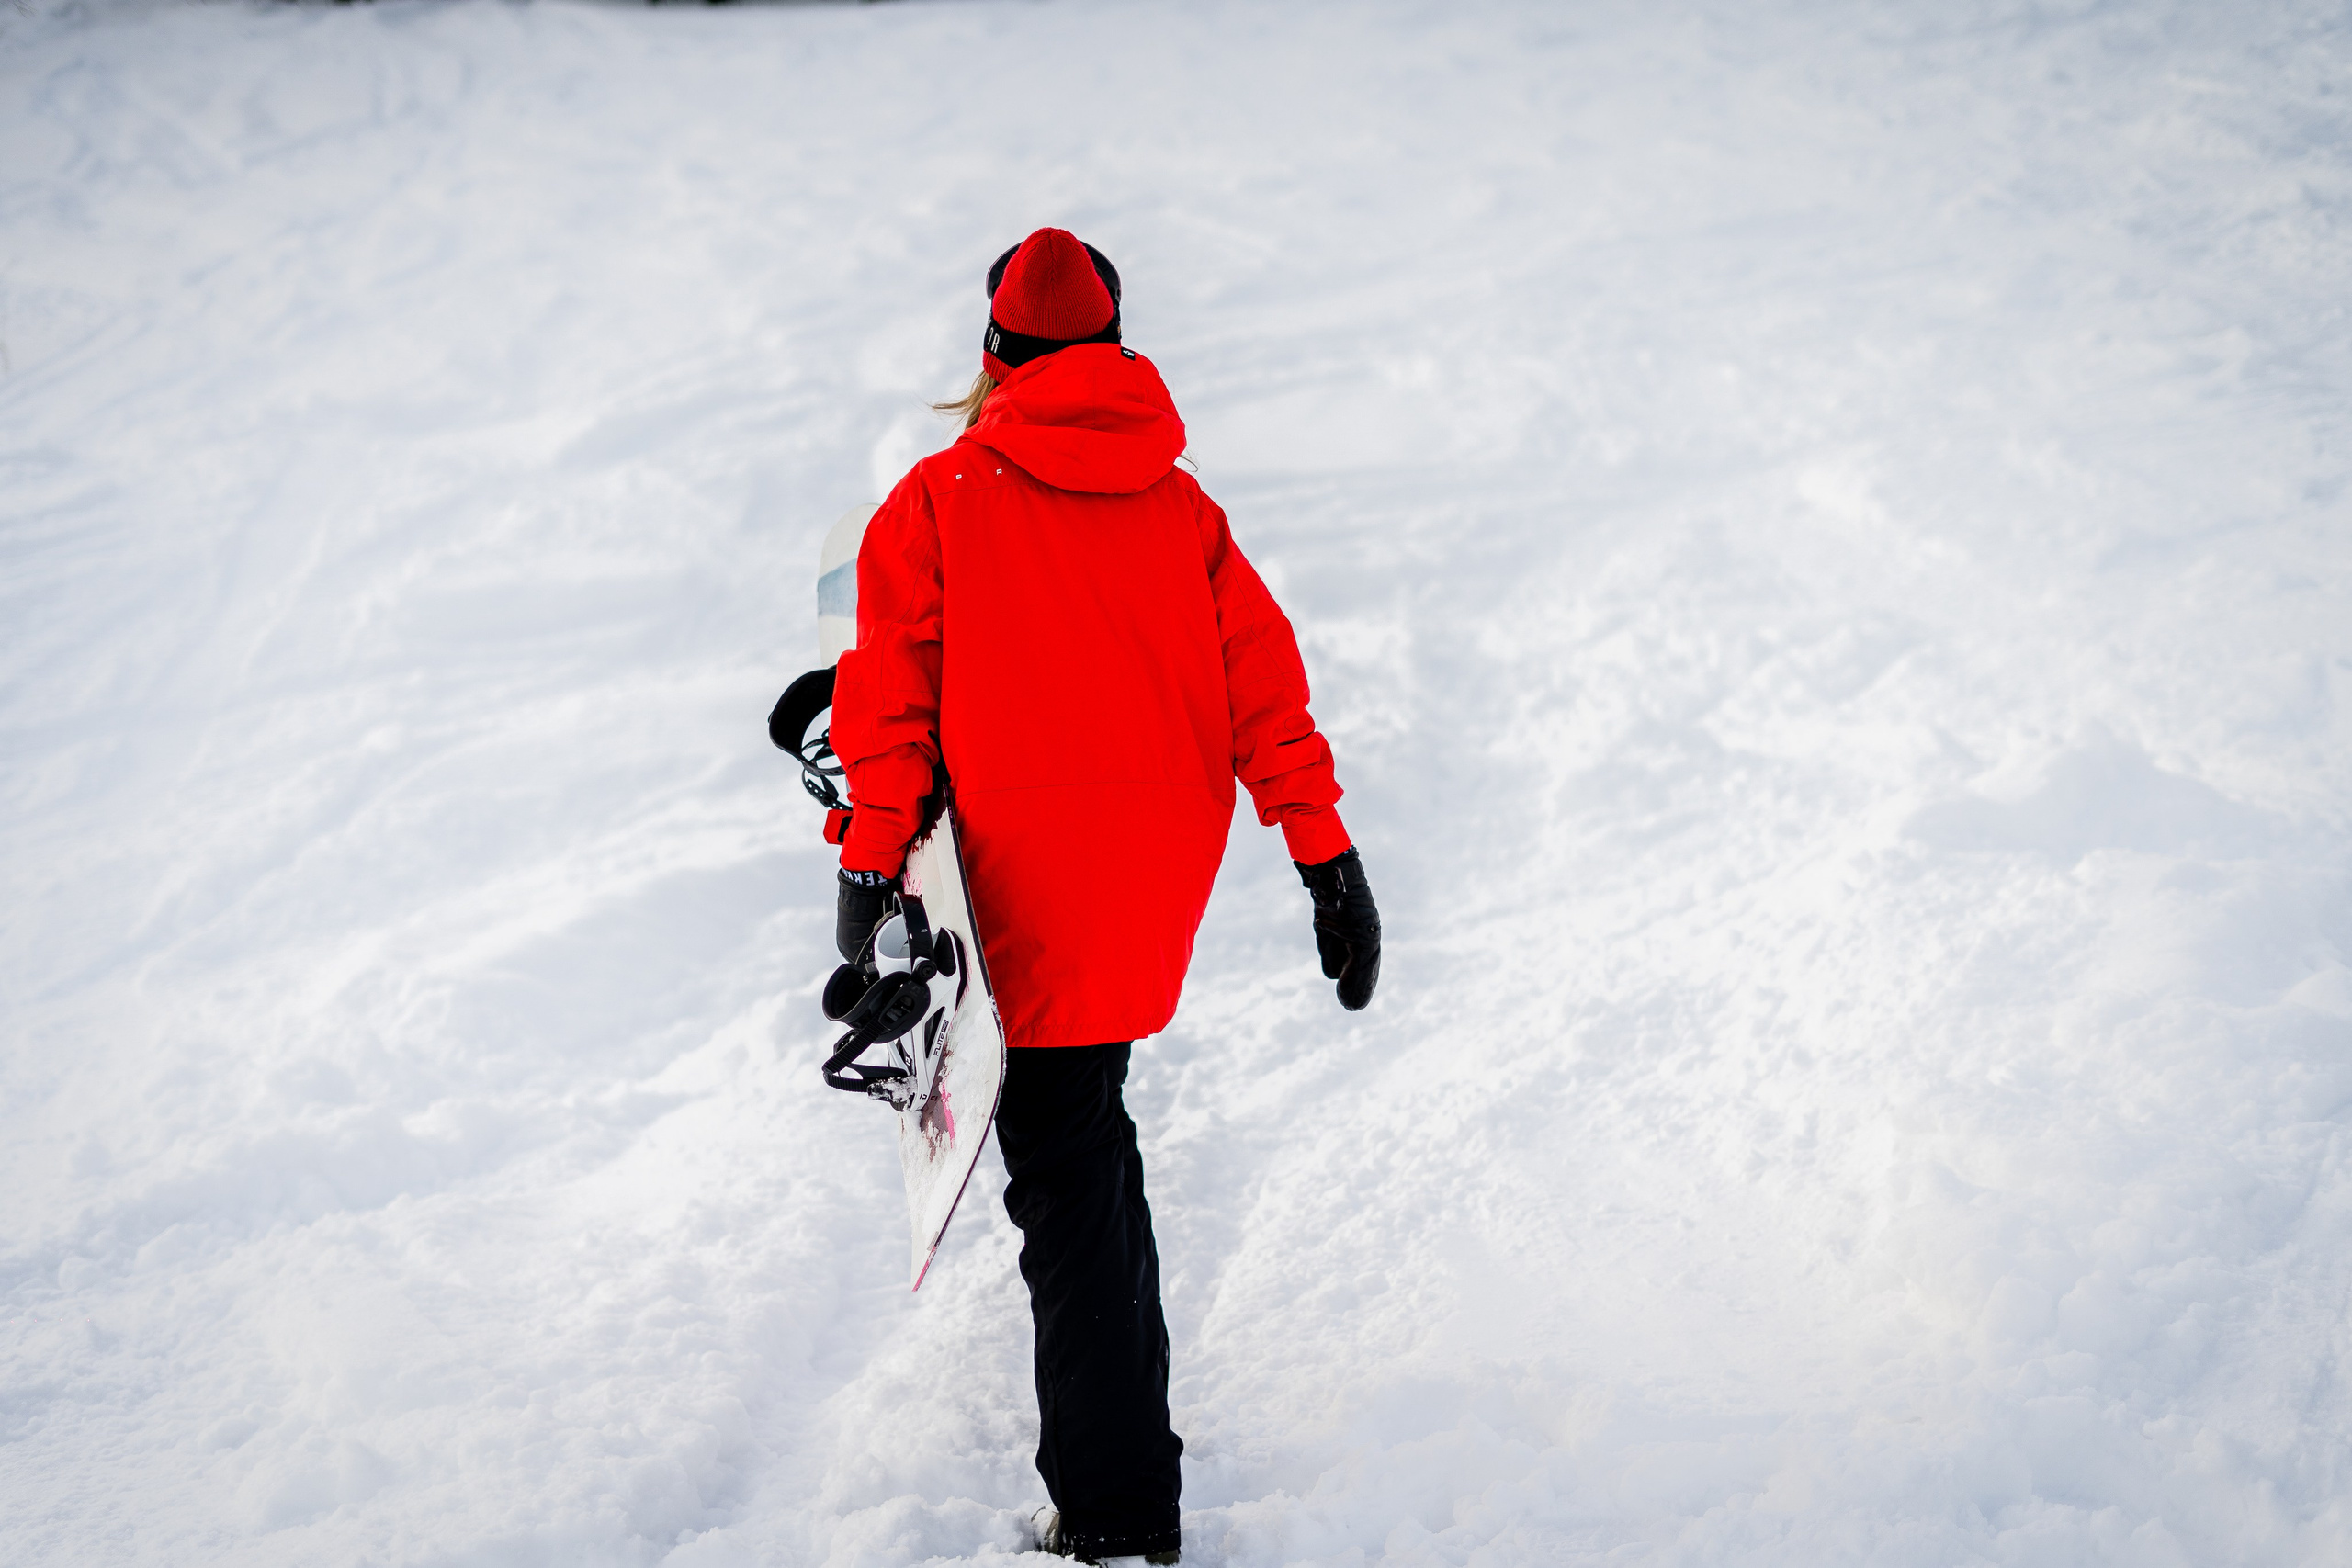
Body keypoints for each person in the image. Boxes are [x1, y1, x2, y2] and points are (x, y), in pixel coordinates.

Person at [827, 227, 1382, 1566]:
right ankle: (1118, 1477)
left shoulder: (937, 501)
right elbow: (1266, 693)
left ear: (995, 354)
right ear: (1114, 348)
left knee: (1070, 1186)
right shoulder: (1182, 511)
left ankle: (1121, 1511)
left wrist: (867, 861)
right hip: (1142, 879)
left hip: (1014, 891)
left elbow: (890, 707)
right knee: (1087, 1144)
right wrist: (1327, 859)